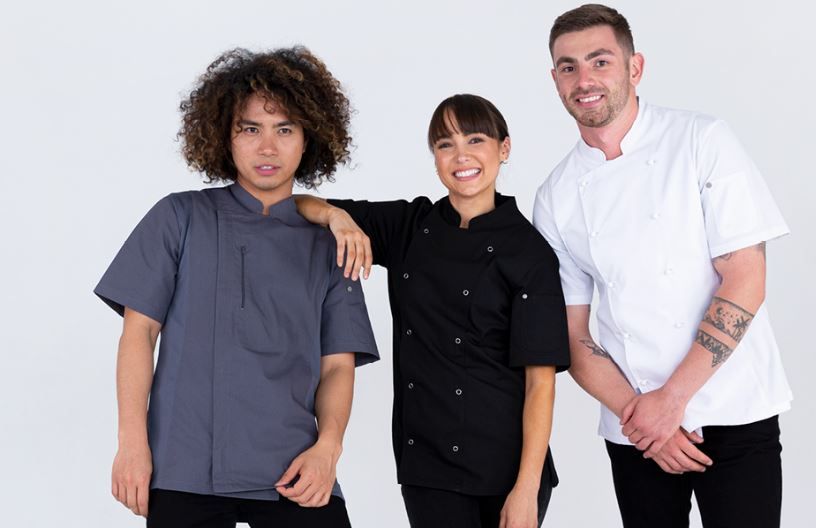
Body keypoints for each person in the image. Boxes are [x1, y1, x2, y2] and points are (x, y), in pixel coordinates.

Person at [94, 46, 379, 528]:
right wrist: (132, 444)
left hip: (295, 469)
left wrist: (328, 449)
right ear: (223, 136)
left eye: (284, 129)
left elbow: (337, 365)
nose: (267, 147)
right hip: (184, 466)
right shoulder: (179, 217)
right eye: (250, 129)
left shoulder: (331, 244)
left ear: (308, 138)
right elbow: (138, 334)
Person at [533, 4, 791, 527]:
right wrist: (644, 419)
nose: (584, 80)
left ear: (635, 67)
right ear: (555, 79)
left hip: (735, 407)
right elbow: (571, 332)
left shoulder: (702, 140)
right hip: (634, 428)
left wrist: (671, 402)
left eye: (600, 61)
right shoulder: (555, 195)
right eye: (568, 67)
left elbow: (745, 277)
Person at [295, 93, 570, 528]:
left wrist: (525, 488)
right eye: (445, 144)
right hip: (426, 464)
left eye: (475, 140)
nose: (461, 156)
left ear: (504, 148)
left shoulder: (529, 253)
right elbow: (296, 205)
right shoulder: (410, 226)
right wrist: (337, 218)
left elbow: (540, 384)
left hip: (505, 467)